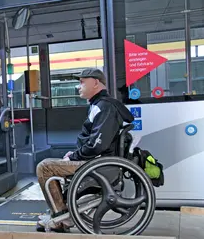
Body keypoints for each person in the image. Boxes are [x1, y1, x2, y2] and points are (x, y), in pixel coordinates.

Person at [35, 68, 134, 233]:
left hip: (98, 163)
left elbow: (98, 144)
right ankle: (58, 213)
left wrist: (74, 156)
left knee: (45, 167)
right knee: (49, 164)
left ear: (95, 83)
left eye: (82, 82)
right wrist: (73, 155)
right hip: (96, 160)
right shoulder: (99, 105)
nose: (78, 87)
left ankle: (61, 217)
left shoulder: (105, 107)